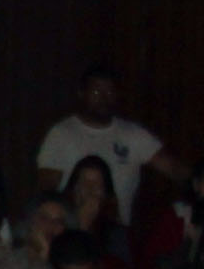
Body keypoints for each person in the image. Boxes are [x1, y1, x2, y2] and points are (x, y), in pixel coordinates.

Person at [33, 66, 182, 206]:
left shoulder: (133, 134)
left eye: (109, 93)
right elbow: (47, 189)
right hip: (72, 227)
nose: (104, 99)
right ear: (82, 93)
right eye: (97, 92)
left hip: (116, 227)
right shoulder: (62, 134)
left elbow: (173, 168)